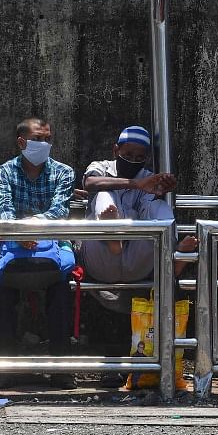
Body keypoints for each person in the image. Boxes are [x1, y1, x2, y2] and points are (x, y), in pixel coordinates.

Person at [0, 118, 77, 389]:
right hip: (15, 248)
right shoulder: (4, 172)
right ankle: (5, 369)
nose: (44, 144)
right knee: (2, 293)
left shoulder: (63, 172)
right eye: (39, 139)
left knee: (61, 290)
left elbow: (60, 210)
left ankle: (62, 369)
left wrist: (33, 227)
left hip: (52, 246)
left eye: (48, 139)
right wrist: (20, 233)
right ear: (21, 142)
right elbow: (4, 208)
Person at [80, 126, 196, 314]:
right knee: (105, 195)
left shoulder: (148, 178)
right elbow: (89, 183)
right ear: (116, 150)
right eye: (128, 154)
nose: (133, 161)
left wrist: (159, 190)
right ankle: (112, 233)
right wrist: (135, 184)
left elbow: (151, 205)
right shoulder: (101, 167)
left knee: (160, 207)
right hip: (100, 255)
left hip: (136, 261)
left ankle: (172, 261)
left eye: (139, 158)